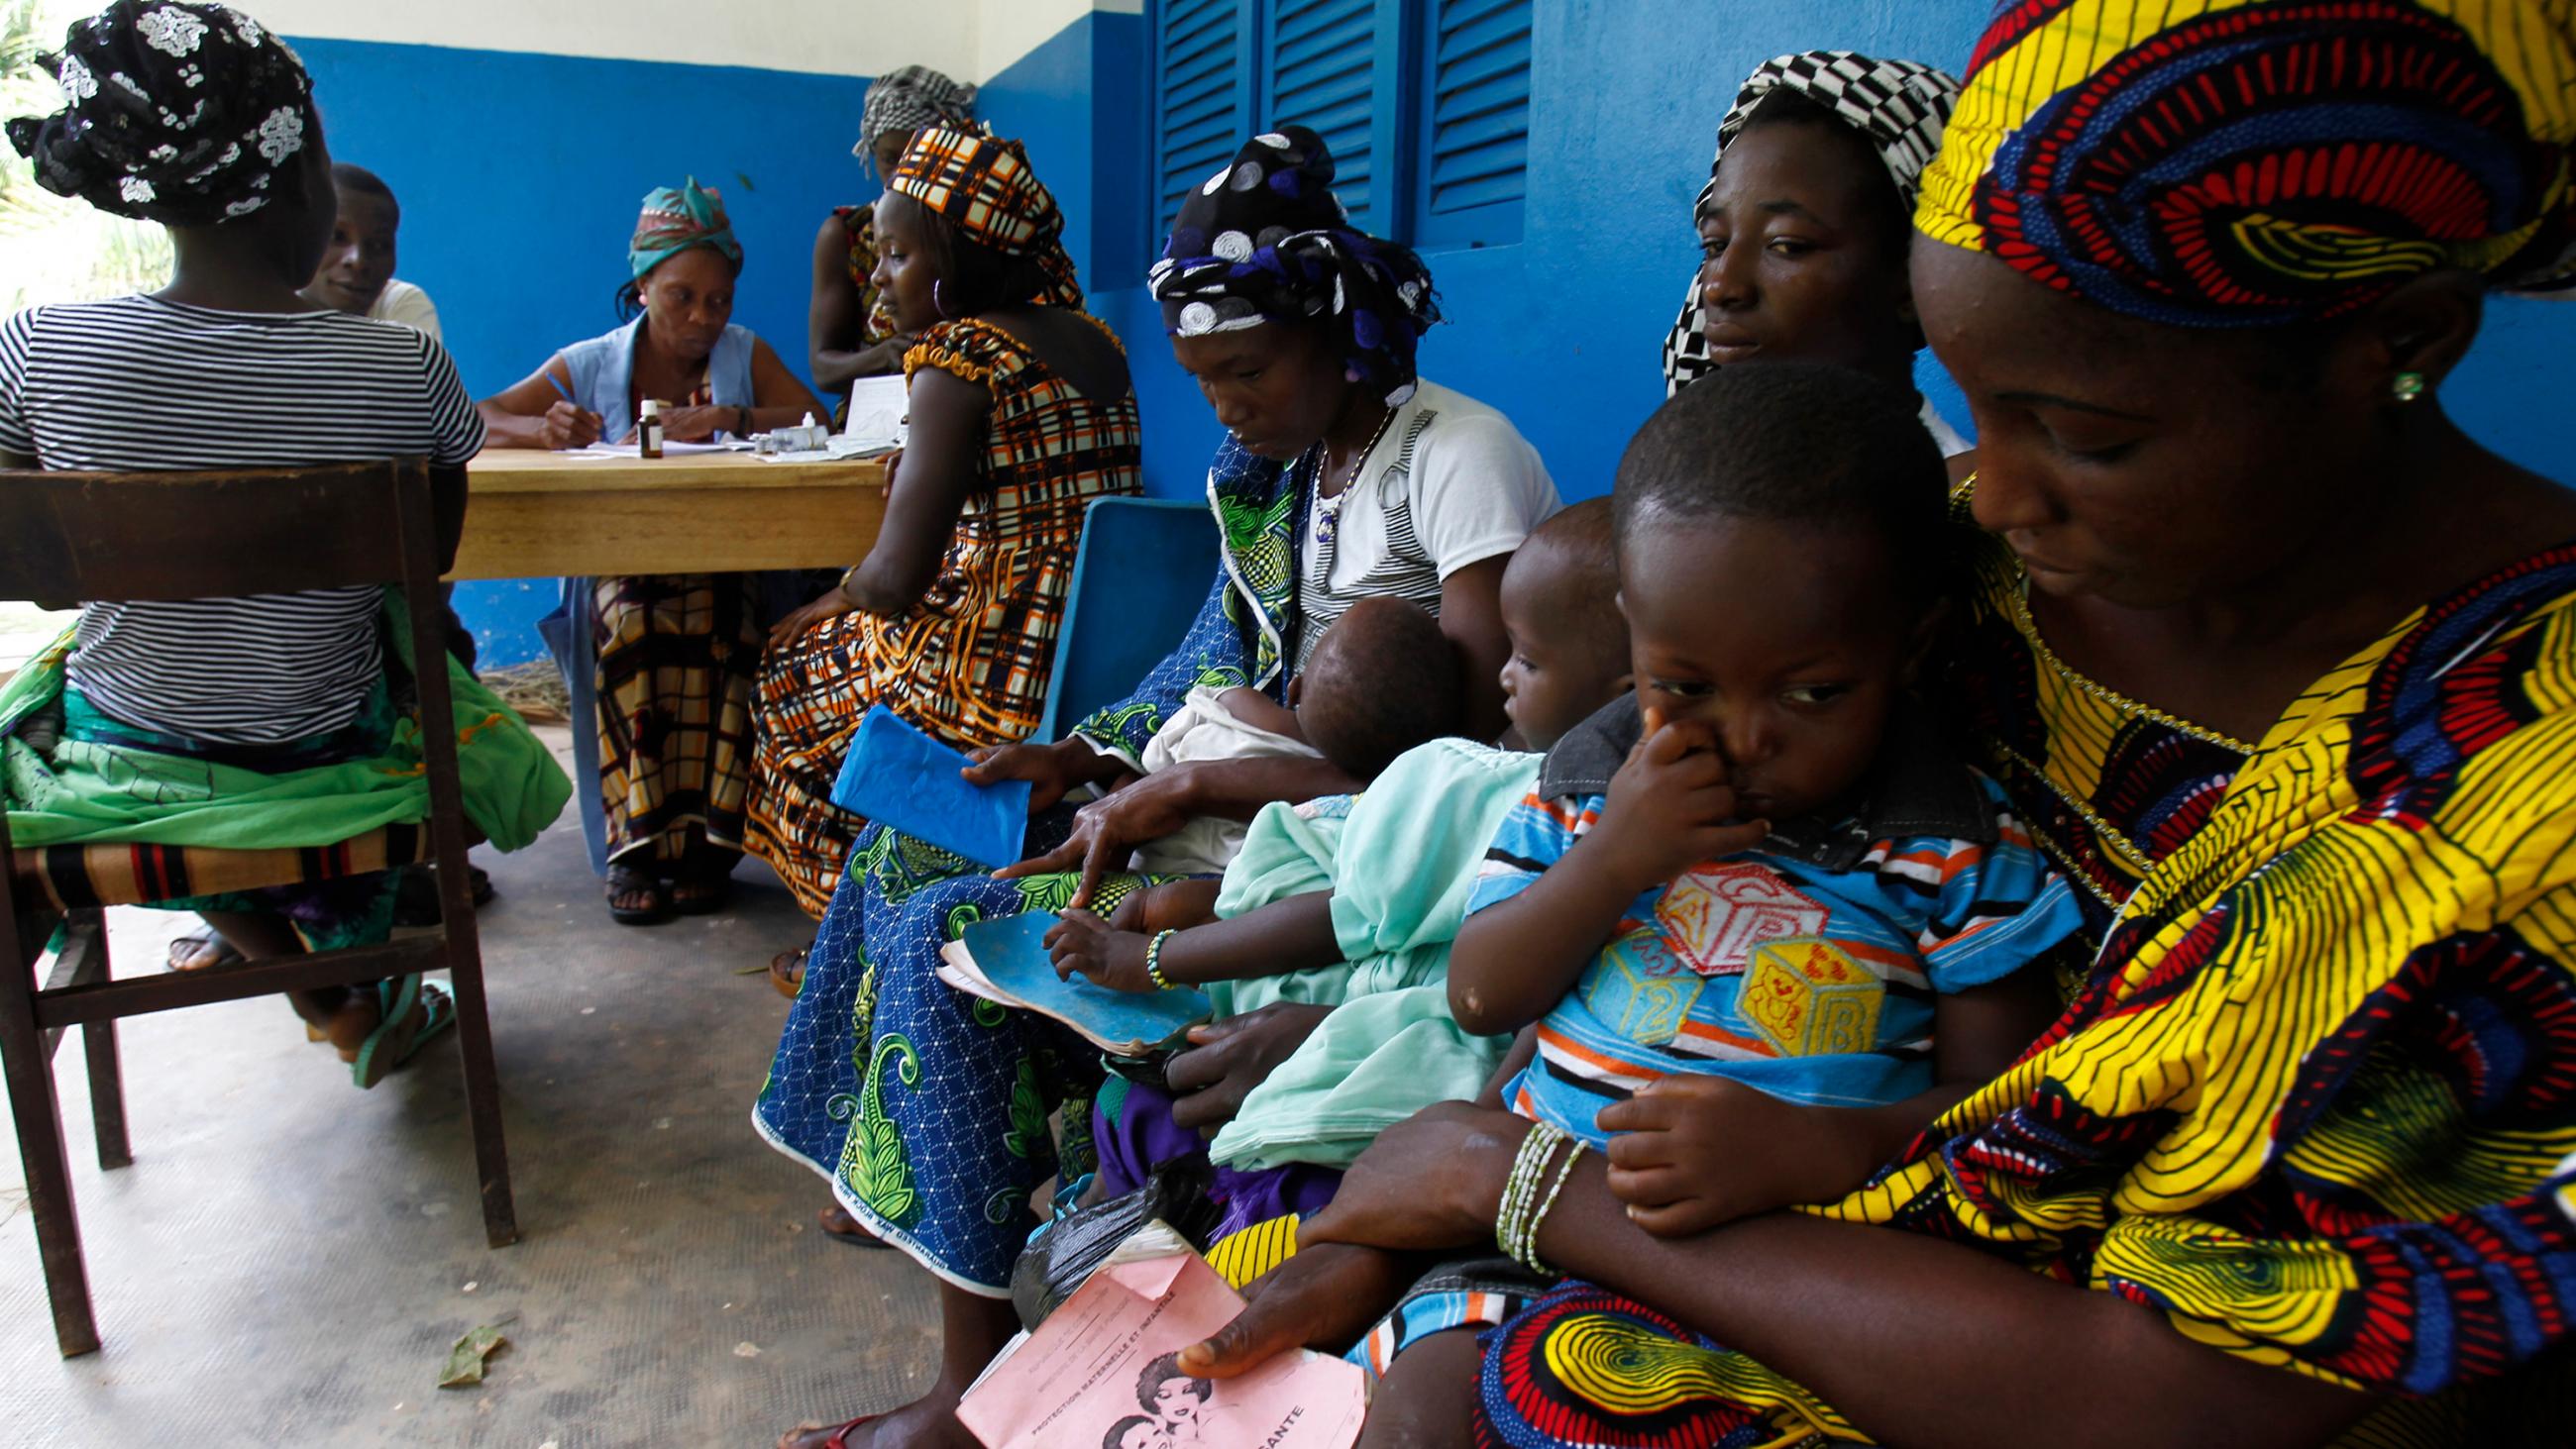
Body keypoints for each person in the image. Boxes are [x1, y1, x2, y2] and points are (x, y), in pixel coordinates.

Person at [1184, 4, 2576, 1445]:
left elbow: (2157, 1393)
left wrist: (1525, 1183)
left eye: (2088, 435)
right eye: (1978, 411)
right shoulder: (1946, 576)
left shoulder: (2522, 782)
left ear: (2395, 342)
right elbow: (1566, 884)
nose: (2002, 499)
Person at [768, 125, 1555, 1449]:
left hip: (1365, 839)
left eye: (1247, 368)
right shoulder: (1283, 478)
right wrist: (1086, 757)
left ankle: (970, 1385)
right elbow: (1208, 660)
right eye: (1206, 379)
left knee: (952, 932)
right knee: (901, 854)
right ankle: (906, 1191)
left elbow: (1468, 767)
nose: (1228, 403)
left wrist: (1224, 761)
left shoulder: (1455, 457)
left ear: (1336, 329)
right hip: (1254, 794)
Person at [0, 1, 568, 1084]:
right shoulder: (398, 369)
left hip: (126, 757)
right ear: (303, 181)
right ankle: (346, 969)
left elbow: (38, 568)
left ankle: (308, 974)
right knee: (399, 680)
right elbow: (426, 565)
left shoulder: (41, 349)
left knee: (67, 694)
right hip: (327, 750)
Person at [1045, 501, 1636, 1240]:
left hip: (1379, 1092)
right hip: (1374, 1062)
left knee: (1138, 1118)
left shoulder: (1475, 785)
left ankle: (1091, 1247)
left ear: (1625, 695)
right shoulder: (1538, 796)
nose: (1505, 677)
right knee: (1134, 1116)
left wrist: (1151, 958)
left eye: (1529, 657)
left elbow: (1340, 916)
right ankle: (1090, 1239)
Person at [744, 124, 1142, 932]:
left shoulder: (959, 356)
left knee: (788, 669)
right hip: (1102, 645)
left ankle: (845, 933)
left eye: (896, 256)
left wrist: (827, 601)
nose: (879, 279)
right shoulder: (1098, 340)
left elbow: (893, 583)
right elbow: (1035, 487)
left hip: (998, 663)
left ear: (957, 255)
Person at [478, 178, 831, 925]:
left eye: (719, 300)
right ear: (641, 285)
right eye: (681, 297)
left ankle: (709, 842)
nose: (703, 317)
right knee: (632, 624)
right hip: (619, 563)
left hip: (723, 559)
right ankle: (636, 845)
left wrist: (732, 414)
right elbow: (478, 416)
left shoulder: (741, 355)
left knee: (731, 627)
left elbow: (817, 415)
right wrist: (537, 430)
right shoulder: (590, 363)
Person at [1661, 52, 1974, 458]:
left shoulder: (1963, 513)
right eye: (1716, 246)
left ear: (1914, 279)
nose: (1721, 287)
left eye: (1787, 245)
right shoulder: (1681, 486)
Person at [1123, 595, 1462, 878]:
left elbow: (1151, 758)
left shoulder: (1235, 706)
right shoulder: (1344, 817)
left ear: (1294, 688)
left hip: (1136, 859)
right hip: (1204, 899)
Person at [807, 64, 977, 408]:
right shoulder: (847, 234)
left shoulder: (971, 233)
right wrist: (888, 354)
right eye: (889, 159)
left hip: (956, 409)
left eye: (916, 159)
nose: (902, 175)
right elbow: (824, 369)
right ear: (872, 155)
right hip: (870, 424)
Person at [299, 162, 439, 337]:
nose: (358, 261)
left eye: (379, 245)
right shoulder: (262, 313)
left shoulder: (399, 303)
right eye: (337, 236)